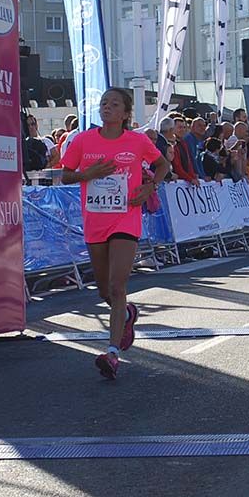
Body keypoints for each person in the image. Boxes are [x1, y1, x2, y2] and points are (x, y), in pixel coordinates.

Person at [61, 88, 171, 380]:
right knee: (104, 291)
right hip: (95, 221)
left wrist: (150, 186)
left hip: (125, 218)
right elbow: (65, 174)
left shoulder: (138, 141)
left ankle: (112, 353)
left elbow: (163, 164)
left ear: (125, 113)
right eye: (103, 103)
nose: (106, 107)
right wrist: (87, 174)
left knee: (117, 285)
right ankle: (127, 314)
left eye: (114, 104)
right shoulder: (83, 140)